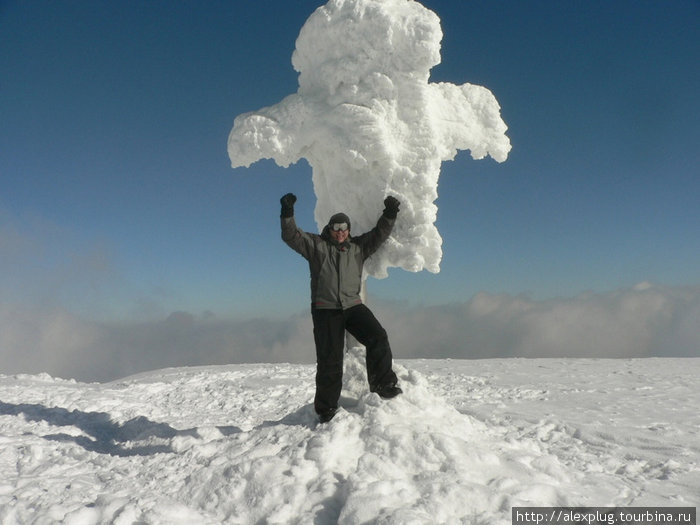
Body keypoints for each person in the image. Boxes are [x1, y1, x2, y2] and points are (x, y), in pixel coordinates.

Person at [280, 192, 403, 423]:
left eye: (344, 227)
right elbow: (291, 236)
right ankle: (326, 409)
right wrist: (287, 212)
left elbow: (379, 234)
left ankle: (383, 384)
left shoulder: (358, 248)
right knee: (330, 360)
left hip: (353, 306)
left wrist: (390, 212)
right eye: (336, 227)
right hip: (326, 309)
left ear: (348, 230)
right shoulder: (316, 246)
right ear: (330, 228)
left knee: (378, 337)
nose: (340, 231)